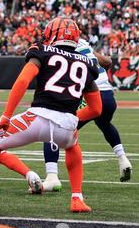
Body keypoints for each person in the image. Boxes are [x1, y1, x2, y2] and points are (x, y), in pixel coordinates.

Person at [0, 17, 102, 214]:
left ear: (52, 34)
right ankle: (77, 198)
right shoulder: (88, 63)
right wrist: (70, 120)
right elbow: (97, 109)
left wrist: (6, 116)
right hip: (66, 125)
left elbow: (23, 81)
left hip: (37, 118)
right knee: (73, 147)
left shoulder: (42, 50)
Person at [42, 38, 133, 191]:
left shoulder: (61, 47)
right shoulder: (83, 43)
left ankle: (52, 177)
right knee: (103, 123)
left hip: (91, 96)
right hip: (108, 97)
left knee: (54, 129)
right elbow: (107, 62)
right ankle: (123, 159)